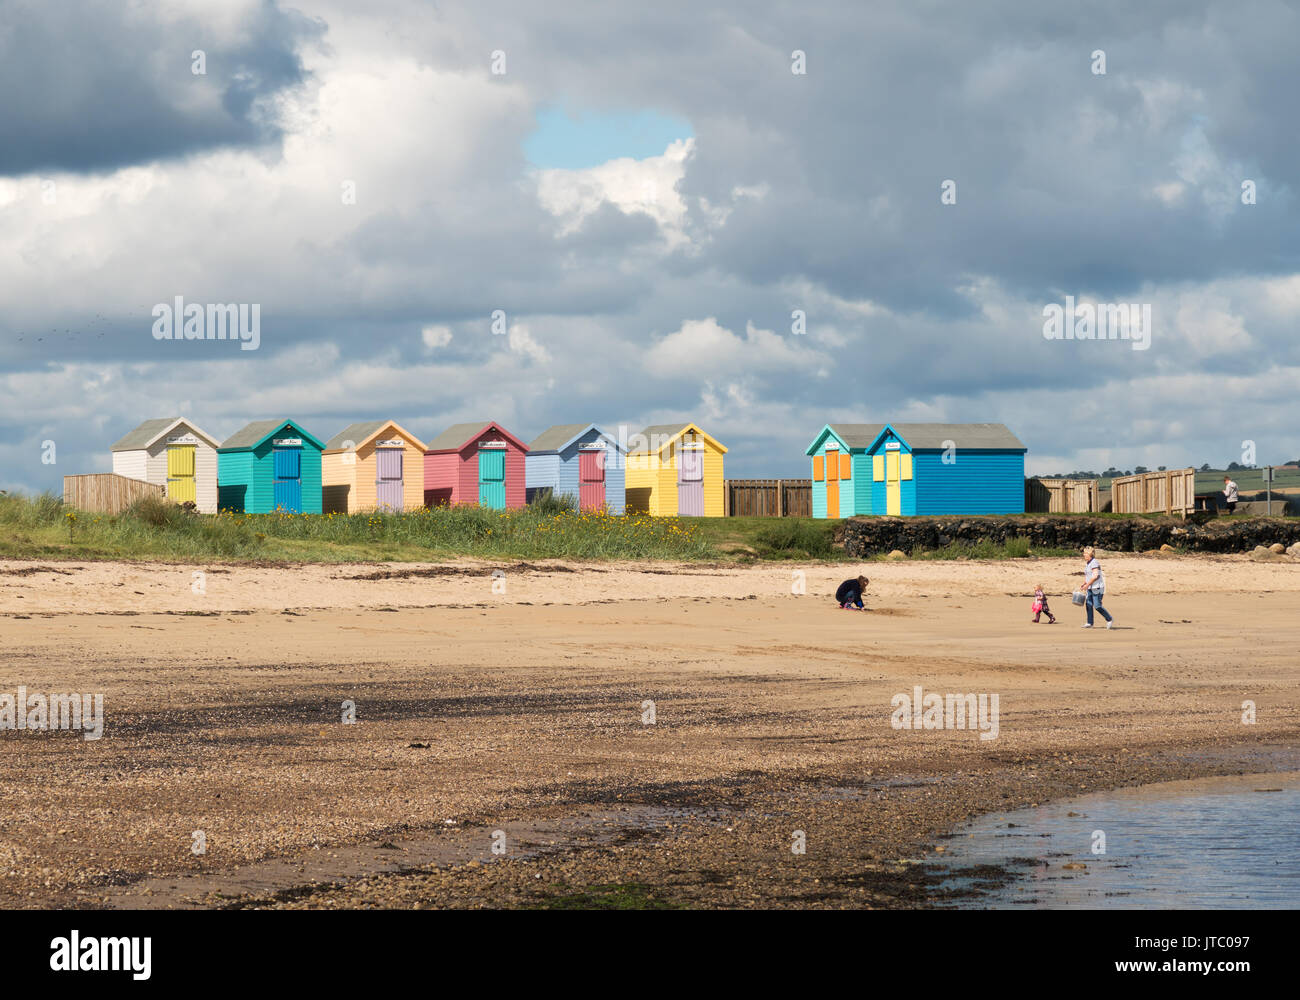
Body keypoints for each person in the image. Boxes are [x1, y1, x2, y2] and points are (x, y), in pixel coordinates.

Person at [1079, 546, 1114, 629]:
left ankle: (1109, 619)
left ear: (1090, 554)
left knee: (1097, 606)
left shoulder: (1094, 563)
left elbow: (1095, 576)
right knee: (1088, 604)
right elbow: (1089, 575)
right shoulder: (1088, 563)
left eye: (1085, 553)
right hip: (1090, 587)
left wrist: (1087, 585)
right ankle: (1089, 622)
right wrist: (1085, 583)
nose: (1083, 555)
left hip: (1097, 588)